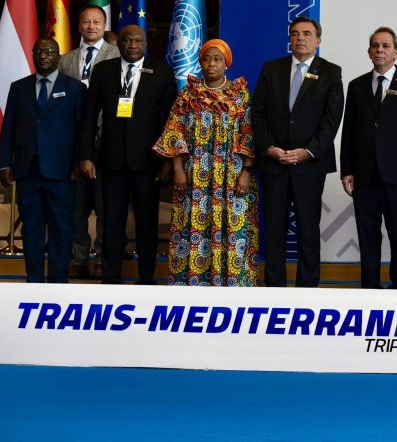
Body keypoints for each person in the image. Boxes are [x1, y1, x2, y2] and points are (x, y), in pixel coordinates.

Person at [154, 39, 258, 286]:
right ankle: (192, 283)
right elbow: (175, 131)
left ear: (226, 64)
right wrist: (178, 169)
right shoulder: (188, 93)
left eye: (217, 59)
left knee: (232, 229)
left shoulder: (240, 94)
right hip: (195, 175)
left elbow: (250, 134)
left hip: (231, 176)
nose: (211, 64)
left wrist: (245, 171)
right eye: (206, 59)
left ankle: (230, 282)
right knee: (194, 228)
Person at [79, 25, 176, 284]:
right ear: (119, 44)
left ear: (146, 43)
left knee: (147, 223)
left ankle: (146, 279)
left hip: (148, 162)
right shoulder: (103, 71)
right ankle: (110, 277)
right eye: (127, 40)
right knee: (111, 222)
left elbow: (171, 121)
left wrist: (167, 159)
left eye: (138, 40)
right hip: (111, 161)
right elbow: (89, 116)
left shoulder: (162, 72)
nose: (133, 45)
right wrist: (86, 156)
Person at [251, 16, 344, 288]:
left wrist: (308, 151)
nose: (300, 38)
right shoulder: (271, 68)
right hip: (274, 163)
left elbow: (331, 120)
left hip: (309, 166)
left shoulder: (330, 72)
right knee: (274, 229)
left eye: (306, 33)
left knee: (307, 229)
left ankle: (307, 288)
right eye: (295, 33)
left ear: (318, 40)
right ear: (289, 38)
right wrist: (269, 148)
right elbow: (257, 114)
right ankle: (275, 288)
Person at [340, 27, 397, 289]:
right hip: (364, 176)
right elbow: (349, 132)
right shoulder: (356, 86)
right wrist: (347, 170)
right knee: (367, 236)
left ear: (396, 52)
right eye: (375, 45)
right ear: (369, 52)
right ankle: (370, 289)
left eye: (385, 46)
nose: (380, 50)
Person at [0, 38, 87, 282]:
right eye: (39, 51)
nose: (44, 55)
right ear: (33, 55)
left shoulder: (76, 89)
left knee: (61, 229)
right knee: (31, 230)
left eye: (49, 51)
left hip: (63, 171)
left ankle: (59, 280)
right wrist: (5, 163)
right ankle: (34, 280)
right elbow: (8, 128)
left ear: (58, 57)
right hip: (27, 170)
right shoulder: (18, 88)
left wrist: (80, 162)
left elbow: (82, 130)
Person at [58, 4, 121, 280]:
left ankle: (101, 257)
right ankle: (79, 257)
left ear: (104, 25)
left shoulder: (119, 55)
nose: (91, 26)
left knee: (106, 207)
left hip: (107, 143)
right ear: (79, 26)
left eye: (97, 22)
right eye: (86, 22)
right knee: (76, 208)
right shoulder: (65, 60)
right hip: (74, 144)